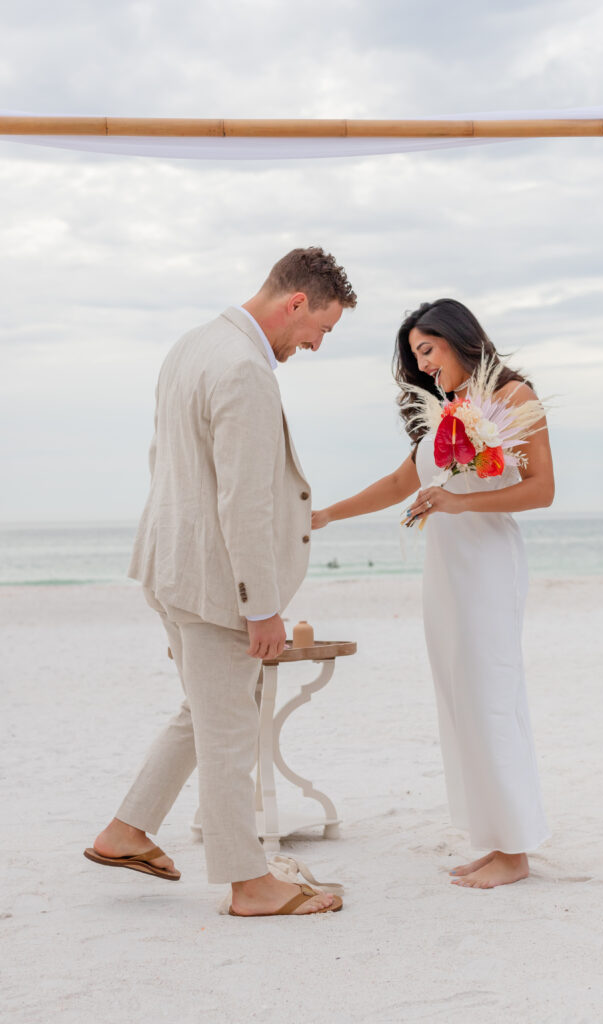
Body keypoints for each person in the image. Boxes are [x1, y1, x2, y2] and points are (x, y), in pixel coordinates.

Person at [84, 247, 356, 916]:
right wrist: (260, 608)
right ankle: (249, 884)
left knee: (203, 710)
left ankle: (126, 830)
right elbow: (245, 503)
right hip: (211, 580)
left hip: (171, 565)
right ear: (295, 304)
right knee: (232, 728)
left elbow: (166, 461)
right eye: (321, 328)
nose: (317, 344)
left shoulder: (191, 346)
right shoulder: (243, 370)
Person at [313, 298, 553, 889]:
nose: (422, 366)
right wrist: (322, 517)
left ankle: (516, 851)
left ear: (459, 339)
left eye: (427, 350)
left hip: (488, 563)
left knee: (491, 694)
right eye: (415, 358)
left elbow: (543, 489)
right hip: (447, 567)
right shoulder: (451, 408)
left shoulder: (514, 398)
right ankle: (497, 839)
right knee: (461, 697)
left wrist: (458, 502)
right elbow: (403, 482)